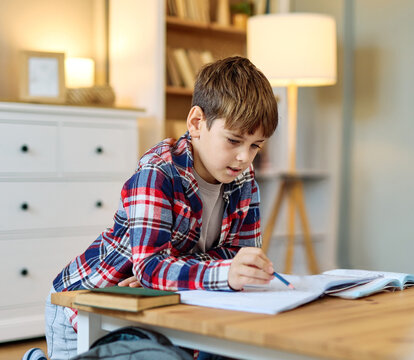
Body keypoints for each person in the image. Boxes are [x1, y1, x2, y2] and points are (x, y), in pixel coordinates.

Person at [44, 56, 279, 359]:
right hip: (84, 302)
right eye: (234, 140)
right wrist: (163, 271)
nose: (245, 158)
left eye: (255, 145)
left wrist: (167, 272)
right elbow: (153, 267)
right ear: (196, 123)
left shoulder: (243, 179)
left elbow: (237, 257)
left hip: (156, 306)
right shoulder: (157, 172)